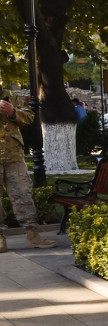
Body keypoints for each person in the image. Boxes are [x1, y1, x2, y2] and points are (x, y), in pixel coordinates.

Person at [0, 89, 57, 252]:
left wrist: (12, 112)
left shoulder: (10, 96)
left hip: (14, 156)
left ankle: (32, 234)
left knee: (23, 193)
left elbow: (29, 116)